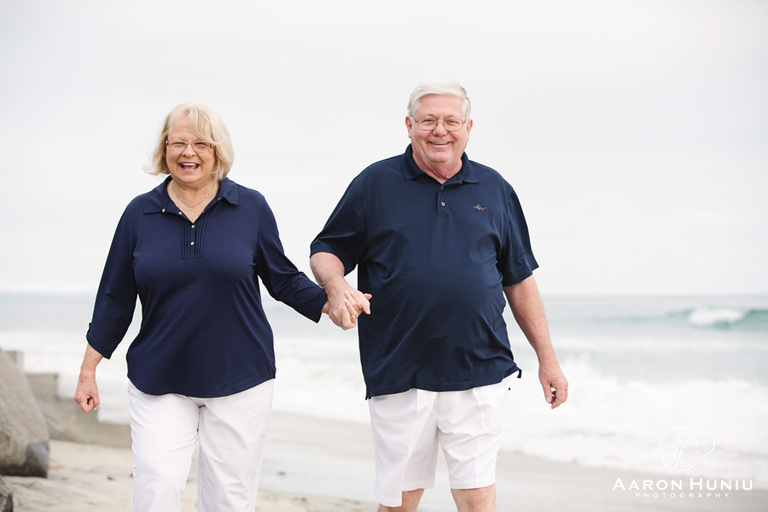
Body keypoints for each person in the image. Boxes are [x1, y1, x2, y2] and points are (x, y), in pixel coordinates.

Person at [73, 103, 364, 512]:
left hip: (240, 376)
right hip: (159, 375)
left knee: (228, 499)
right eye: (178, 142)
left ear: (217, 150)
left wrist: (331, 303)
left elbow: (281, 277)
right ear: (164, 149)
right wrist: (89, 370)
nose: (188, 152)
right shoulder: (139, 213)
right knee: (157, 484)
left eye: (199, 143)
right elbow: (115, 297)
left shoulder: (250, 207)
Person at [310, 79, 569, 512]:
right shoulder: (375, 183)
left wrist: (548, 359)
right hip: (399, 369)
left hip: (481, 369)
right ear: (409, 125)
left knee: (476, 498)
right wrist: (337, 288)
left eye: (451, 121)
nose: (440, 130)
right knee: (398, 502)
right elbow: (327, 249)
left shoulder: (495, 188)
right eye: (428, 120)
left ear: (469, 128)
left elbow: (519, 279)